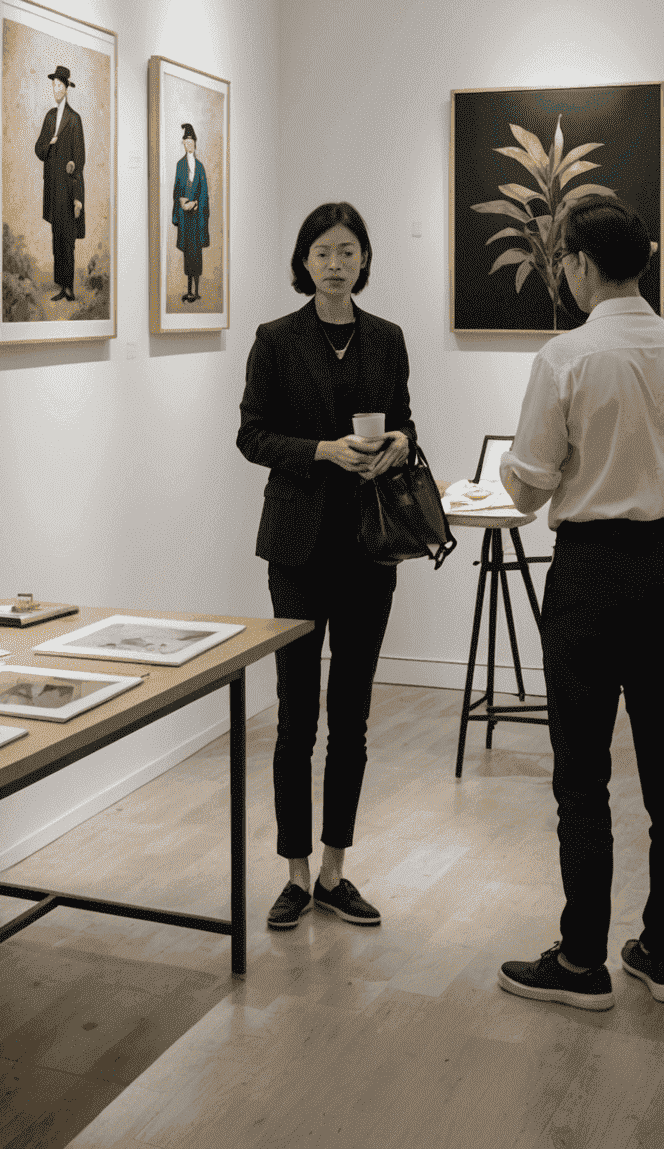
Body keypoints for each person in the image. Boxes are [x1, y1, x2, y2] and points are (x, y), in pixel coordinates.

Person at [495, 199, 664, 1010]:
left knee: (582, 777)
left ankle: (579, 963)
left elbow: (528, 487)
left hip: (591, 577)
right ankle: (661, 953)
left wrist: (529, 485)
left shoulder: (567, 356)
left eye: (564, 260)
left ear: (576, 263)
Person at [237, 202, 414, 931]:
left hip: (371, 546)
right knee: (295, 718)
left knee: (353, 718)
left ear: (364, 260)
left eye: (347, 251)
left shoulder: (389, 339)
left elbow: (406, 419)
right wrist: (321, 451)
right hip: (299, 548)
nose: (335, 263)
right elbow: (251, 435)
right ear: (303, 263)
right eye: (322, 252)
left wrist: (399, 443)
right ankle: (294, 871)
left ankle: (337, 868)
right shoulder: (275, 340)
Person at [34, 64, 85, 303]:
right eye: (53, 85)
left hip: (68, 188)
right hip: (53, 188)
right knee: (57, 237)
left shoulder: (74, 120)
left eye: (59, 86)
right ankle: (61, 285)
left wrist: (78, 197)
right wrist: (51, 142)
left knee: (68, 239)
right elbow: (39, 150)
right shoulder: (50, 117)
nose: (55, 89)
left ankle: (69, 287)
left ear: (66, 89)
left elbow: (79, 158)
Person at [171, 123, 210, 304]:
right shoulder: (180, 165)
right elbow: (177, 189)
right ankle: (188, 291)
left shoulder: (200, 167)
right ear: (184, 144)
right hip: (186, 219)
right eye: (186, 142)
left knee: (196, 256)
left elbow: (204, 193)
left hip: (197, 219)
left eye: (191, 141)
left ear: (195, 143)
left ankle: (196, 290)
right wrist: (182, 202)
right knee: (188, 255)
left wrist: (195, 203)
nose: (189, 144)